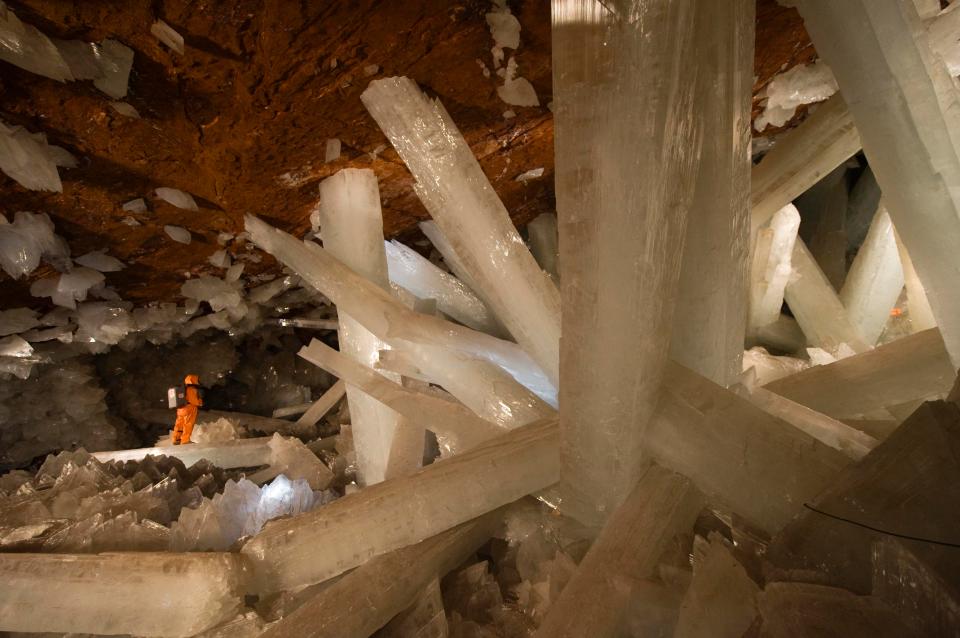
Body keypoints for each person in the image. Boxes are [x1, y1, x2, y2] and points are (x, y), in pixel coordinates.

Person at [172, 374, 203, 445]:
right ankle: (185, 440)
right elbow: (194, 401)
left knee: (179, 425)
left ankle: (176, 439)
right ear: (193, 380)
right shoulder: (192, 389)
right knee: (188, 424)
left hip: (180, 409)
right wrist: (200, 401)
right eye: (196, 380)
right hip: (189, 409)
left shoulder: (183, 389)